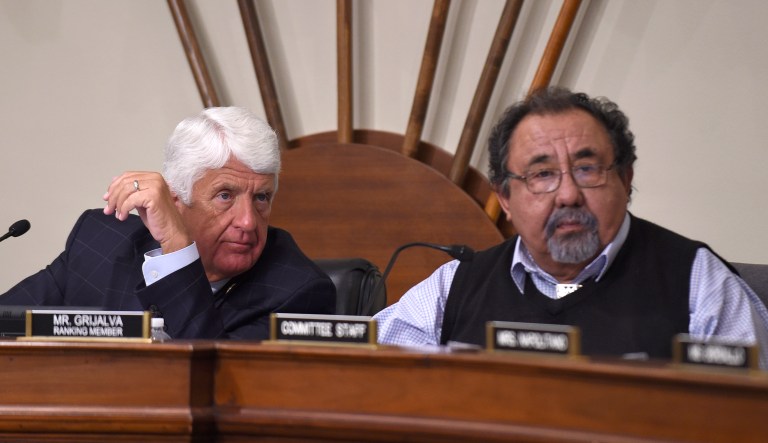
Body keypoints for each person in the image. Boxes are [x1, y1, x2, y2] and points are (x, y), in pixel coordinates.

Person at [374, 87, 768, 366]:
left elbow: (745, 417)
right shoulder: (455, 286)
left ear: (626, 179)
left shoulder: (697, 281)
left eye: (586, 168)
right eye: (542, 174)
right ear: (506, 198)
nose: (567, 195)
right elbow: (368, 376)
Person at [0, 107, 336, 339]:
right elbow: (7, 323)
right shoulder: (100, 242)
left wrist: (178, 248)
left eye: (261, 198)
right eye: (224, 196)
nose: (248, 222)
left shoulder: (298, 292)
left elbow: (220, 388)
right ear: (175, 199)